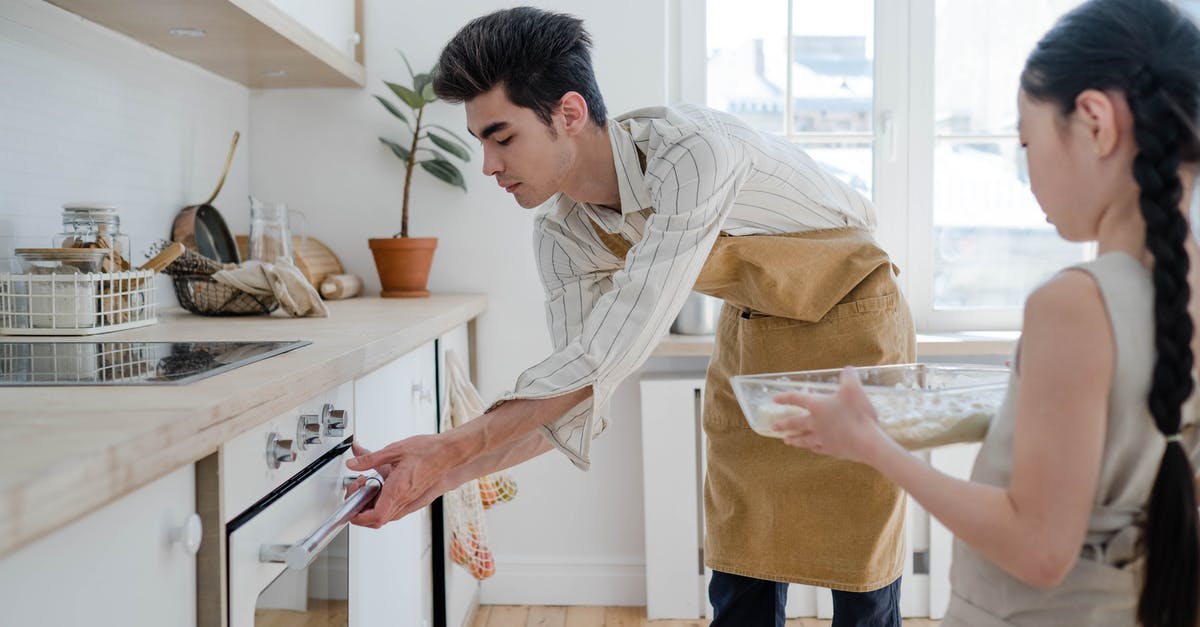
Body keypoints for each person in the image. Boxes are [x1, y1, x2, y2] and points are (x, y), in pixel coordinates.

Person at [347, 7, 914, 625]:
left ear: (568, 113)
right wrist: (433, 479)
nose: (489, 166)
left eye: (502, 137)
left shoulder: (692, 155)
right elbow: (574, 396)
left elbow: (611, 348)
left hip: (854, 318)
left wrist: (449, 447)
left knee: (859, 567)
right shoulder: (563, 236)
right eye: (481, 141)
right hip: (754, 332)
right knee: (742, 569)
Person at [772, 1, 1200, 625]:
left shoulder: (1075, 305)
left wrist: (870, 445)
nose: (1028, 176)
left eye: (1027, 141)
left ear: (1095, 122)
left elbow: (1041, 549)